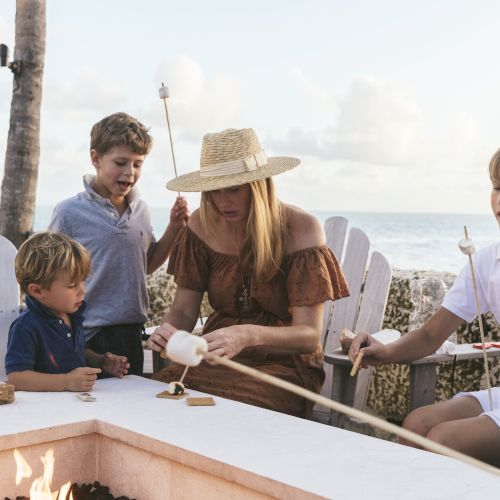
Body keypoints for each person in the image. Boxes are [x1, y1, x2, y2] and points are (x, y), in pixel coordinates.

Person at [147, 127, 349, 418]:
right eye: (214, 190)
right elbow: (182, 310)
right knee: (160, 403)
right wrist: (169, 333)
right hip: (215, 358)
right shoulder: (201, 225)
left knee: (228, 415)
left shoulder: (302, 230)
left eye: (233, 189)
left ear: (258, 184)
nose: (222, 201)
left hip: (283, 366)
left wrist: (248, 335)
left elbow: (308, 335)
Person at [348, 148, 500, 466]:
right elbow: (432, 334)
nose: (499, 201)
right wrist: (385, 352)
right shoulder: (487, 262)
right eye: (497, 188)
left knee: (441, 443)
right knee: (416, 427)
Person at [48, 112, 189, 376]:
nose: (130, 173)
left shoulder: (142, 210)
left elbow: (146, 265)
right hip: (86, 333)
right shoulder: (68, 212)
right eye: (121, 162)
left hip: (130, 332)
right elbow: (49, 275)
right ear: (95, 159)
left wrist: (175, 227)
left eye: (138, 164)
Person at [6, 232, 129, 392]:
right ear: (37, 291)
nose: (82, 291)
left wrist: (101, 362)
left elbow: (75, 354)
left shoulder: (72, 316)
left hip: (72, 406)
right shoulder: (26, 327)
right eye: (72, 285)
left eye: (83, 281)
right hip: (43, 411)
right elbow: (17, 378)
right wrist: (66, 382)